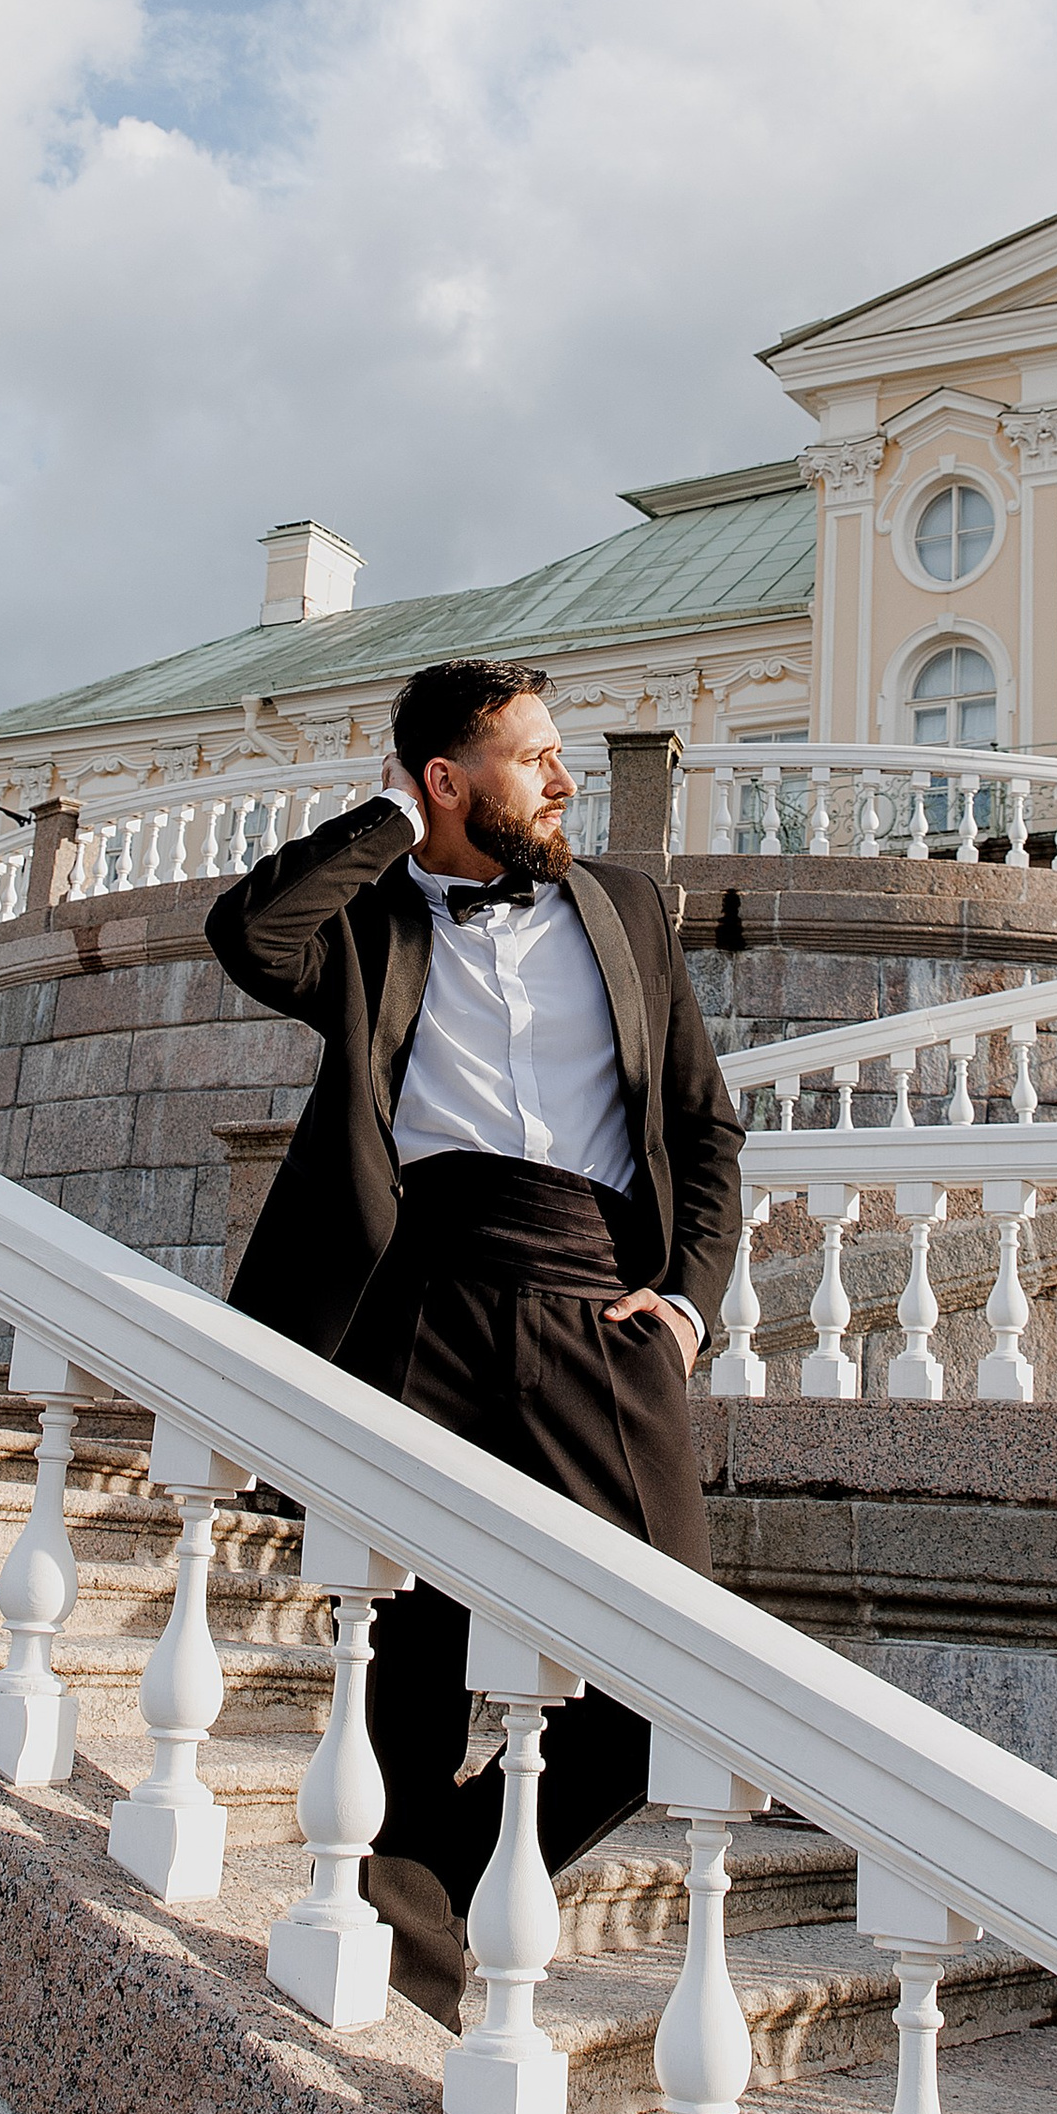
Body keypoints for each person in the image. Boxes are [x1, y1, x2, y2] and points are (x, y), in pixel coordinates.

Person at [206, 656, 744, 2023]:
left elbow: (702, 1124)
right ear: (450, 780)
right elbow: (252, 937)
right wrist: (391, 822)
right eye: (532, 755)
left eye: (561, 755)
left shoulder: (624, 912)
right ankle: (406, 1980)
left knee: (679, 1679)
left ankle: (426, 1882)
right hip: (420, 1293)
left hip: (596, 1301)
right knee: (407, 1660)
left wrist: (686, 1300)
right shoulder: (370, 918)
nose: (564, 779)